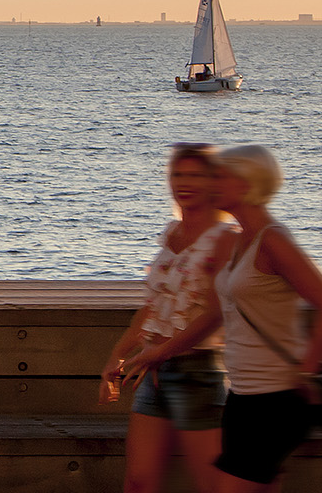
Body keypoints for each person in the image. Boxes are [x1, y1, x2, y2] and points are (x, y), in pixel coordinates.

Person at [205, 145, 322, 492]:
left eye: (220, 177)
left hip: (276, 401)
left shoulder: (272, 240)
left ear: (245, 183)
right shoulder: (239, 239)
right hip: (241, 395)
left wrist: (306, 372)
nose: (211, 184)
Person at [101, 143, 239, 492]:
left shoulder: (224, 238)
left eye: (195, 175)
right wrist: (117, 356)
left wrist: (160, 353)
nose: (184, 182)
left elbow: (216, 313)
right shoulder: (172, 233)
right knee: (138, 482)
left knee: (213, 485)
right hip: (154, 373)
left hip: (197, 373)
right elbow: (153, 307)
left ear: (213, 182)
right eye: (178, 174)